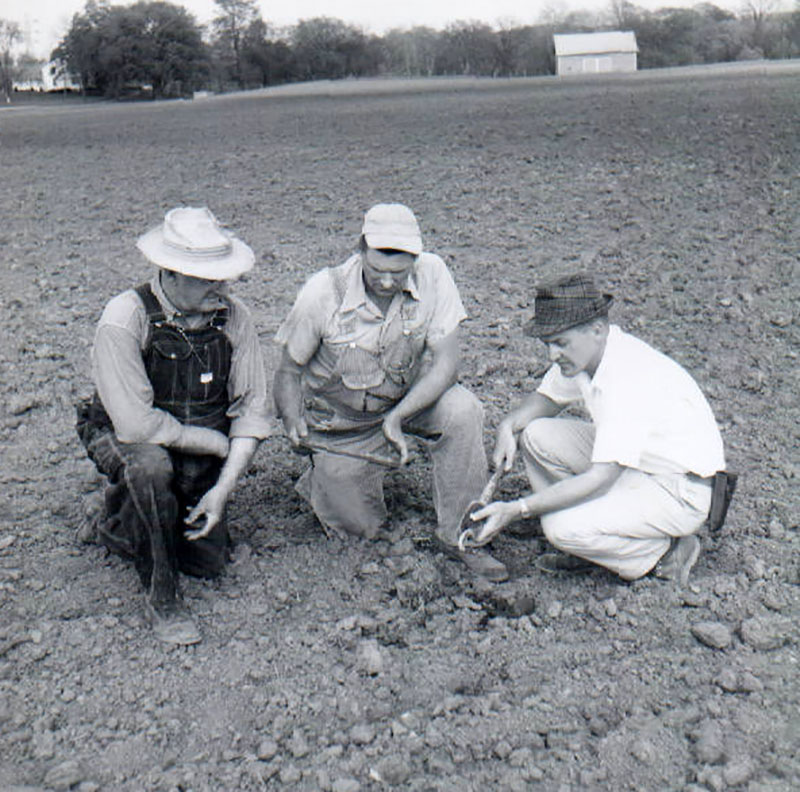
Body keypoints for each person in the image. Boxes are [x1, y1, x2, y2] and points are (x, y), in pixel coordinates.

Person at [273, 203, 507, 581]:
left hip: (402, 401)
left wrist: (397, 418)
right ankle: (328, 476)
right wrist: (291, 418)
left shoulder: (434, 274)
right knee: (361, 531)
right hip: (341, 423)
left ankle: (463, 535)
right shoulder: (323, 292)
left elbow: (447, 365)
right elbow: (288, 370)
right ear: (360, 250)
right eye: (377, 270)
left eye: (398, 274)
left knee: (463, 409)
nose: (386, 282)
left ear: (415, 259)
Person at [76, 207, 271, 645]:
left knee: (207, 560)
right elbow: (135, 424)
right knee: (150, 469)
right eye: (207, 279)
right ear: (171, 273)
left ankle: (116, 521)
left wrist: (222, 490)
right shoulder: (125, 317)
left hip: (196, 438)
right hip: (127, 436)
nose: (221, 288)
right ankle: (162, 598)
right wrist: (206, 441)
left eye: (223, 277)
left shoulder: (234, 319)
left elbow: (251, 411)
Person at [469, 272, 726, 583]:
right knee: (536, 435)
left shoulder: (627, 377)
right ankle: (595, 535)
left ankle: (666, 552)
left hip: (681, 491)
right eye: (548, 344)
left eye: (561, 343)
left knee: (559, 529)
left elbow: (601, 479)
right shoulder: (586, 355)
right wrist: (508, 428)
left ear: (597, 329)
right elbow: (545, 401)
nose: (552, 355)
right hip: (645, 465)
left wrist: (518, 509)